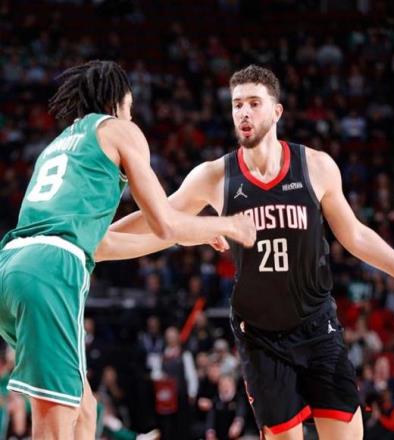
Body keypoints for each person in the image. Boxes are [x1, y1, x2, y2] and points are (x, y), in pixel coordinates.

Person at [99, 65, 394, 439]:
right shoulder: (215, 176)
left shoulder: (316, 166)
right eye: (237, 105)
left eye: (253, 103)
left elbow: (355, 235)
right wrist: (97, 240)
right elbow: (159, 217)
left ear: (277, 111)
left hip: (316, 326)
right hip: (260, 336)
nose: (243, 113)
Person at [0, 60, 255, 440]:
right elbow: (164, 221)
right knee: (54, 426)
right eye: (130, 108)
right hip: (51, 270)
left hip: (12, 265)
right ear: (116, 102)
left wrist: (191, 234)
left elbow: (102, 243)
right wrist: (228, 225)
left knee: (85, 410)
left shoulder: (60, 145)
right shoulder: (120, 129)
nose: (132, 116)